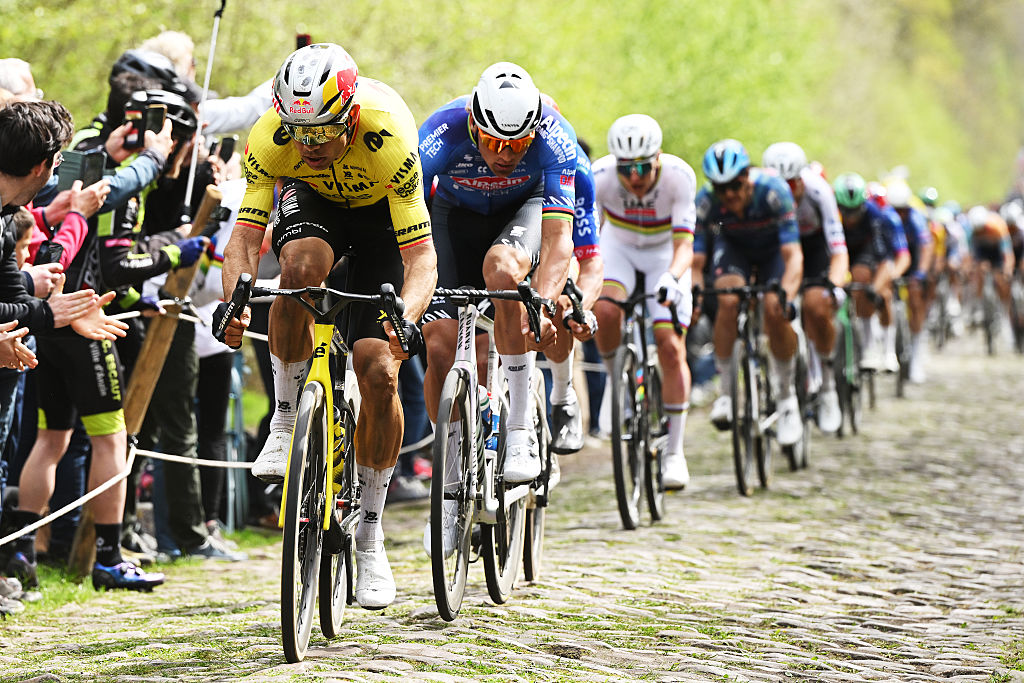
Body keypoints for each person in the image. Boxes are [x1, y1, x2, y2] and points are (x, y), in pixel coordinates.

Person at [216, 43, 436, 610]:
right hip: (316, 207)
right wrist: (234, 302)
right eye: (299, 133)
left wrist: (405, 320)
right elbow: (243, 240)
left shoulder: (388, 137)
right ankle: (287, 423)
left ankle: (369, 534)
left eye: (322, 134)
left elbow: (421, 261)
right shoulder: (275, 136)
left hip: (381, 222)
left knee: (378, 371)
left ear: (351, 113)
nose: (308, 146)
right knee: (297, 269)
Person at [417, 62, 575, 554]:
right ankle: (448, 487)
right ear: (475, 123)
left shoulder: (555, 135)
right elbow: (403, 217)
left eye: (518, 145)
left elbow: (558, 242)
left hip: (521, 214)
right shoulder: (440, 130)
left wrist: (543, 306)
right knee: (441, 346)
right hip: (452, 218)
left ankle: (522, 429)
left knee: (504, 273)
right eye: (494, 143)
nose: (504, 155)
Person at [591, 114, 694, 488]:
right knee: (604, 308)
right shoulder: (599, 176)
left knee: (669, 346)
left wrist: (672, 276)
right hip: (619, 247)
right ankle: (614, 375)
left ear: (658, 158)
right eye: (626, 168)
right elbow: (591, 237)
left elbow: (685, 245)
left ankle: (674, 452)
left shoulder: (678, 177)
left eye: (643, 168)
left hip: (664, 254)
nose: (635, 177)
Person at [695, 139, 804, 447]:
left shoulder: (774, 191)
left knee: (773, 308)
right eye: (721, 188)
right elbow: (697, 259)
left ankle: (787, 400)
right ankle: (727, 394)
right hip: (735, 250)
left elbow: (793, 255)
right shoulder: (705, 202)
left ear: (747, 176)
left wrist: (787, 295)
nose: (729, 194)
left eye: (735, 185)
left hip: (773, 254)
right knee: (727, 300)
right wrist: (695, 293)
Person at [761, 142, 847, 434]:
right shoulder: (761, 191)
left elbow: (838, 248)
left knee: (815, 305)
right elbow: (725, 226)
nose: (786, 192)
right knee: (772, 307)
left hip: (814, 251)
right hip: (780, 250)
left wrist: (834, 284)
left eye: (792, 184)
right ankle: (785, 393)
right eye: (779, 185)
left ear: (801, 179)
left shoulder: (818, 191)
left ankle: (828, 385)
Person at [832, 172, 909, 370]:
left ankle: (881, 349)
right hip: (842, 250)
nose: (850, 218)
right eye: (845, 212)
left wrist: (874, 288)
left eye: (855, 211)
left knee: (873, 288)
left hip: (869, 253)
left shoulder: (877, 216)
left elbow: (886, 259)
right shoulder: (831, 213)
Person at [885, 179, 933, 383]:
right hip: (893, 256)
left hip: (913, 259)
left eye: (903, 210)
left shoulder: (916, 218)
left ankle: (916, 351)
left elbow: (926, 248)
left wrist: (920, 273)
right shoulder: (886, 218)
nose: (900, 215)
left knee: (915, 299)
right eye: (896, 210)